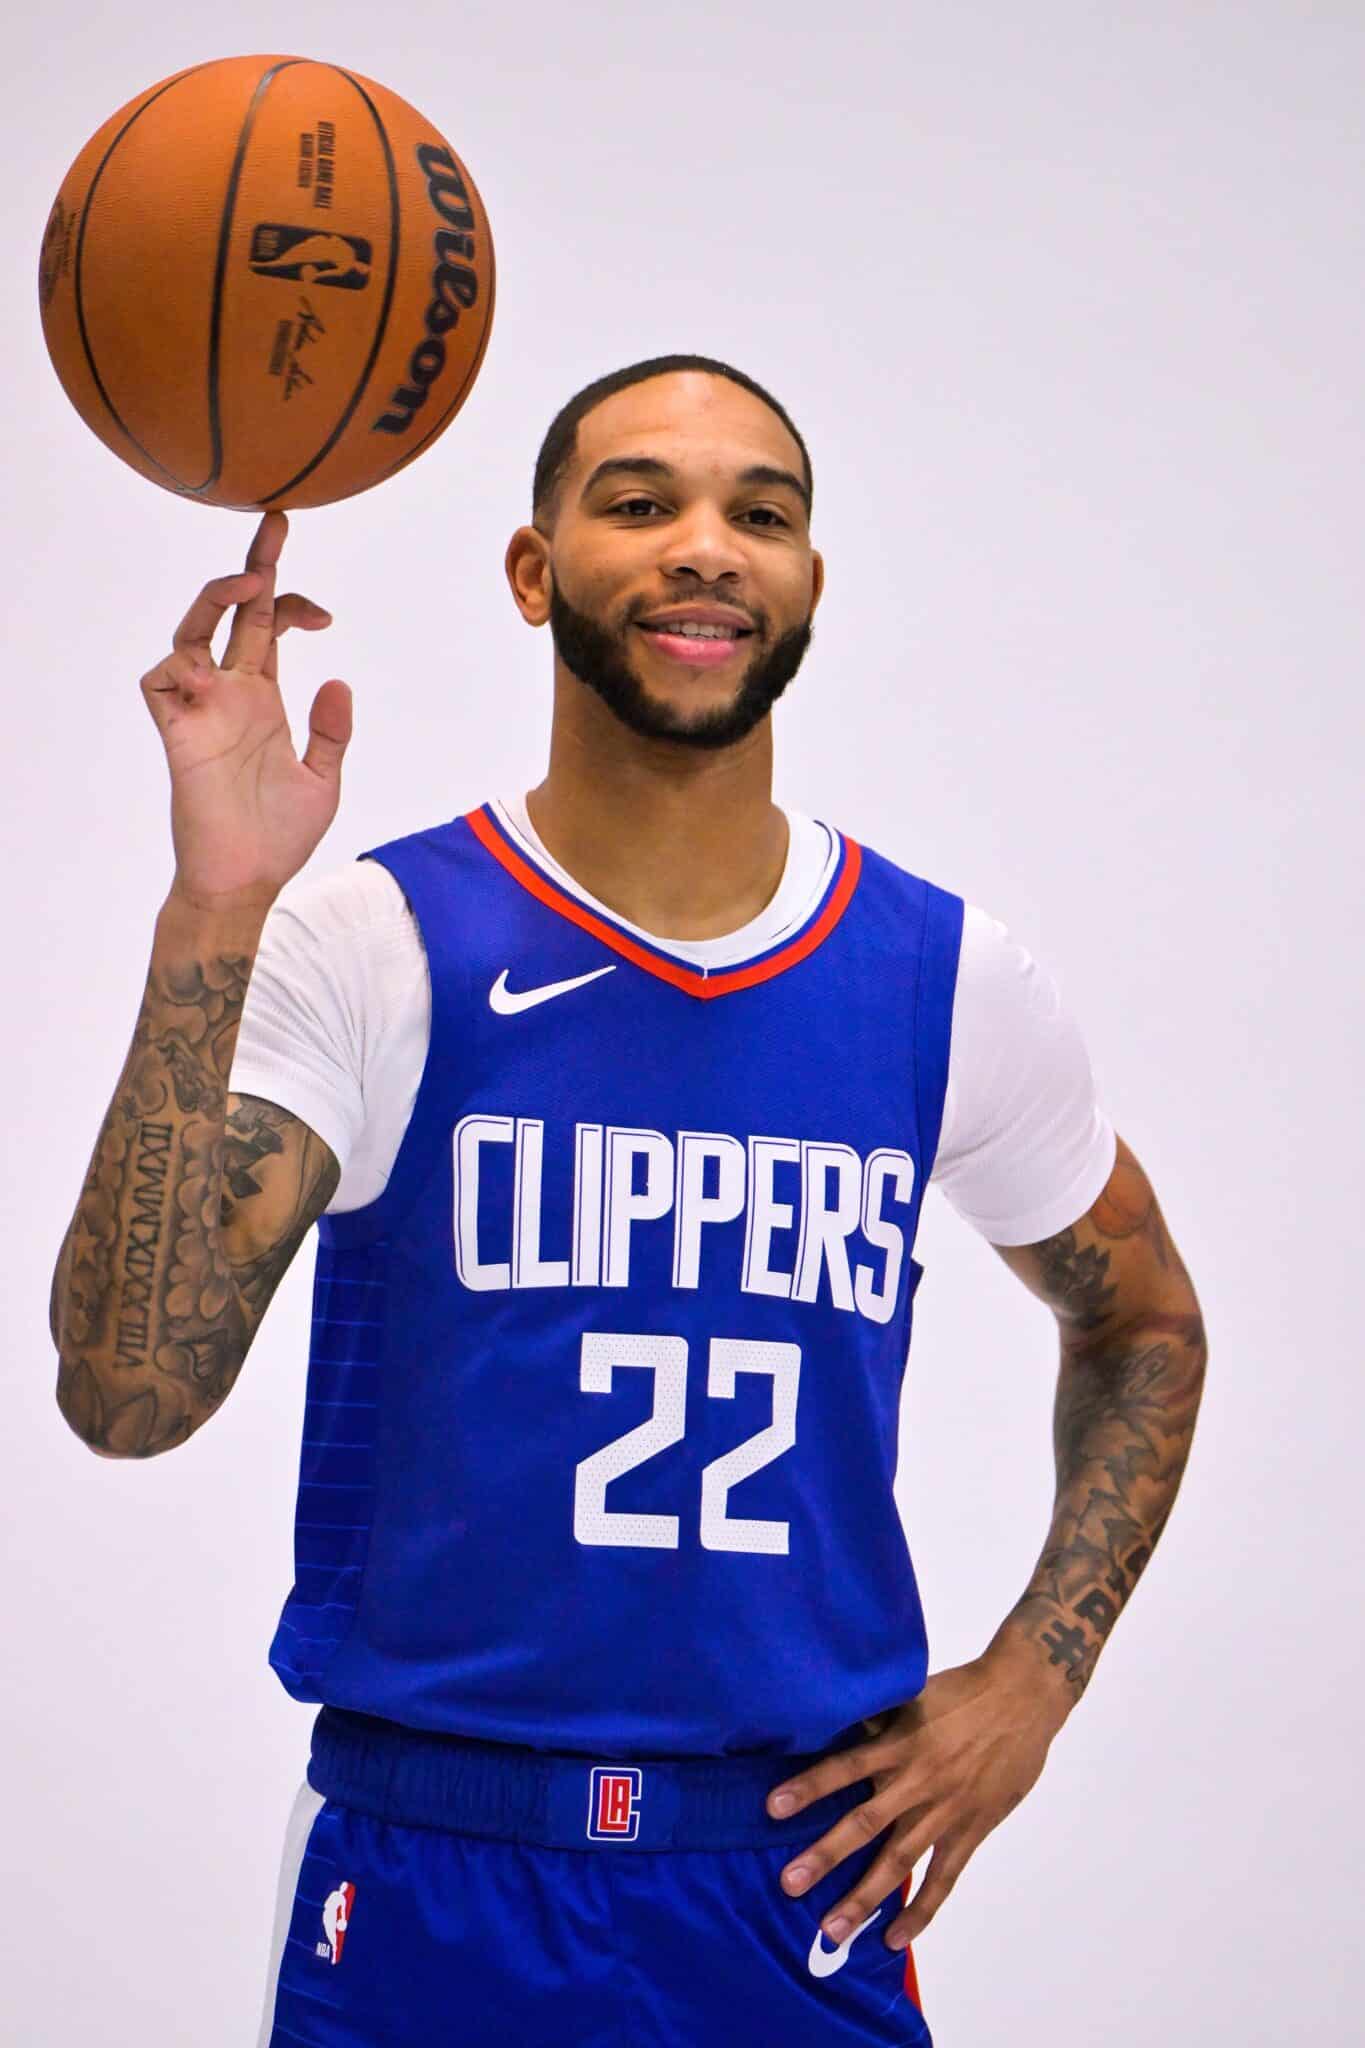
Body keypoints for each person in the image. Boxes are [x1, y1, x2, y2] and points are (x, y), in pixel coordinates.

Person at [49, 354, 1207, 2047]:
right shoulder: (379, 941)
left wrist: (1037, 1675)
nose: (707, 547)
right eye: (641, 502)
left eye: (762, 514)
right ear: (534, 573)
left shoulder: (936, 975)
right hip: (440, 1858)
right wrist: (217, 902)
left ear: (807, 583)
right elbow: (126, 1390)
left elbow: (1144, 1320)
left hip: (789, 1877)